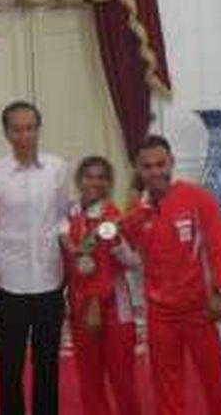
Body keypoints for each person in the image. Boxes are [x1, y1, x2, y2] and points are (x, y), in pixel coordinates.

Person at [122, 135, 221, 415]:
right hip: (160, 312)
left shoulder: (197, 198)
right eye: (147, 166)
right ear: (138, 169)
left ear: (171, 162)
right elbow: (125, 252)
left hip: (200, 308)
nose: (155, 172)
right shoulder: (138, 212)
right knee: (165, 383)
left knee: (213, 380)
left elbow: (219, 245)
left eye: (160, 164)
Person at [0, 101, 70, 415]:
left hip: (49, 279)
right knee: (10, 363)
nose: (25, 135)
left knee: (48, 361)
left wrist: (73, 250)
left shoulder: (57, 167)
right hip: (9, 282)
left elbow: (62, 218)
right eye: (17, 129)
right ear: (7, 133)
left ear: (38, 129)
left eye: (30, 128)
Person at [60, 156, 142, 415]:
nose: (95, 182)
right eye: (89, 176)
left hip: (114, 307)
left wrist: (117, 241)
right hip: (79, 302)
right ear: (79, 180)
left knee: (121, 377)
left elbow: (134, 261)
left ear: (109, 183)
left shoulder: (114, 217)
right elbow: (65, 262)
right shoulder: (68, 216)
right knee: (89, 376)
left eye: (101, 177)